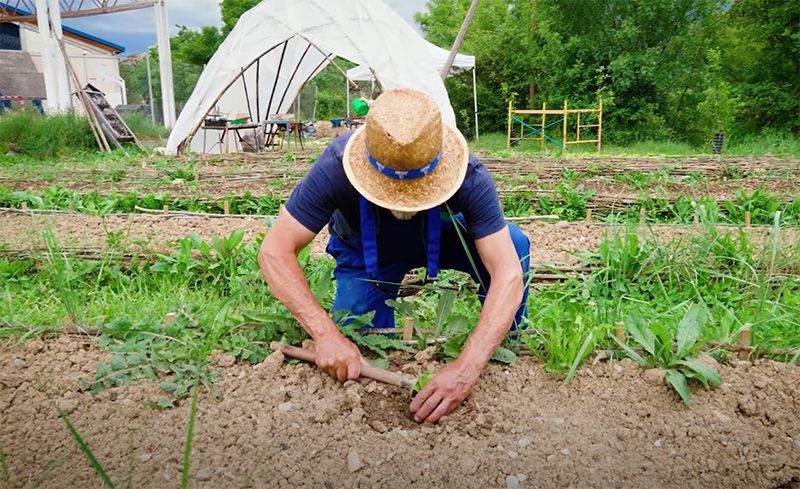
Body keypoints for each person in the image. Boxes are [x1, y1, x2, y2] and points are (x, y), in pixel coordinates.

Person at [258, 88, 530, 423]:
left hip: (438, 238)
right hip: (366, 246)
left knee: (513, 245)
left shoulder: (468, 175)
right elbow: (274, 251)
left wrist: (466, 367)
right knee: (357, 341)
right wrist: (325, 335)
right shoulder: (335, 166)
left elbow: (508, 272)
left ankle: (508, 344)